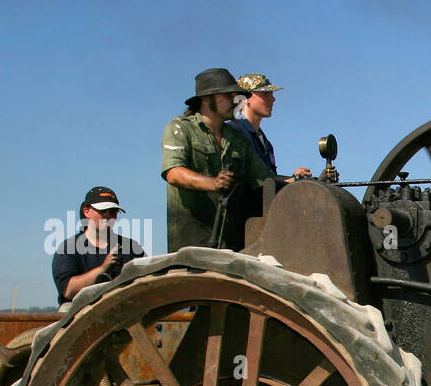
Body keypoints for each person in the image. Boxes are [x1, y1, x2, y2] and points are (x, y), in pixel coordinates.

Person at [161, 68, 271, 251]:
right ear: (206, 98)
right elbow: (174, 173)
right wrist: (213, 183)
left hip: (232, 245)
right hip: (191, 244)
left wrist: (299, 183)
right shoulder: (180, 128)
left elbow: (263, 180)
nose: (235, 101)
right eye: (229, 96)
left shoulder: (238, 139)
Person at [51, 187, 147, 303]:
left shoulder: (132, 247)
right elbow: (68, 290)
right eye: (103, 211)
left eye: (112, 211)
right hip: (82, 316)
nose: (108, 215)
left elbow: (148, 282)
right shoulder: (68, 248)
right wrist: (103, 269)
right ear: (86, 212)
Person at [230, 73, 312, 180]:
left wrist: (293, 179)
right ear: (244, 98)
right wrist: (290, 181)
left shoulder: (265, 143)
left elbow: (267, 182)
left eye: (272, 93)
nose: (273, 99)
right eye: (265, 94)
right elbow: (245, 182)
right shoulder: (234, 133)